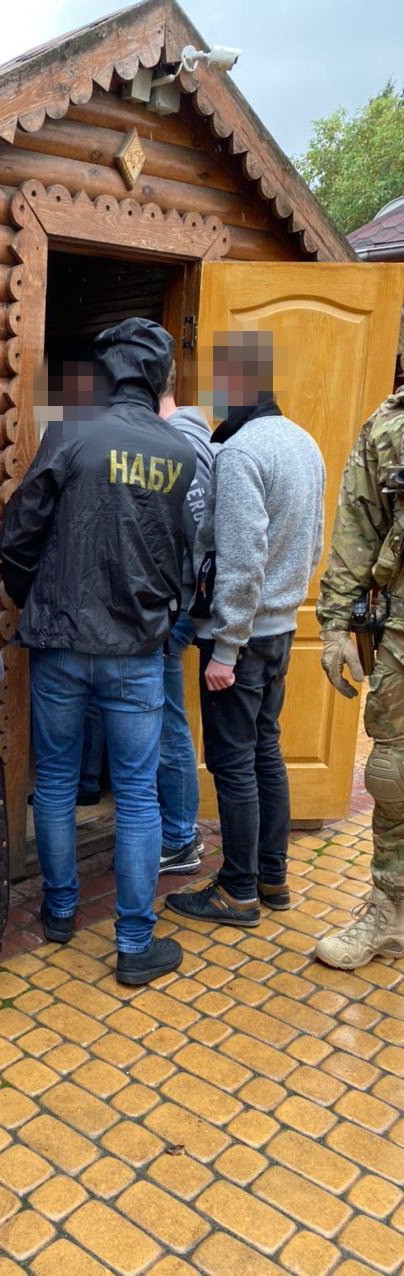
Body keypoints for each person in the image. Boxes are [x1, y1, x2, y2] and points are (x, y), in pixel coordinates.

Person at [0, 317, 195, 985]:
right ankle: (135, 945)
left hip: (60, 641)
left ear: (108, 369)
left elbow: (19, 531)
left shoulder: (72, 431)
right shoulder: (179, 451)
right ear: (158, 375)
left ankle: (59, 912)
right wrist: (165, 618)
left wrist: (32, 596)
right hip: (136, 648)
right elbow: (186, 556)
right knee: (137, 794)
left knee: (55, 780)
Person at [167, 330, 325, 929]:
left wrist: (226, 647)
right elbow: (312, 543)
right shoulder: (304, 442)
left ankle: (237, 891)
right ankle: (271, 877)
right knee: (265, 752)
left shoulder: (240, 453)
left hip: (242, 636)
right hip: (279, 628)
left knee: (234, 763)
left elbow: (239, 557)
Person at [316, 387, 404, 967]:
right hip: (402, 636)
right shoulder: (390, 425)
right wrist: (334, 626)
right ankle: (390, 913)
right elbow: (357, 526)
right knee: (393, 775)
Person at [157, 361, 215, 873]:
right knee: (163, 719)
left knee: (166, 722)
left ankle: (178, 836)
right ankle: (174, 830)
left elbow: (199, 536)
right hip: (175, 606)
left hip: (173, 609)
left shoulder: (182, 443)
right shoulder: (188, 436)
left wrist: (189, 604)